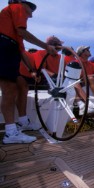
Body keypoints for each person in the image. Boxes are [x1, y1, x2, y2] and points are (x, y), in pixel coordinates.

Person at [0, 0, 57, 144]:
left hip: (10, 49)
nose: (30, 15)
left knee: (22, 85)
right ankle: (10, 133)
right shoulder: (17, 7)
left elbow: (21, 51)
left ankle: (23, 122)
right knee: (9, 89)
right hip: (3, 47)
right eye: (30, 10)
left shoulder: (12, 31)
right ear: (22, 4)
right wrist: (46, 46)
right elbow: (22, 31)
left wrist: (33, 71)